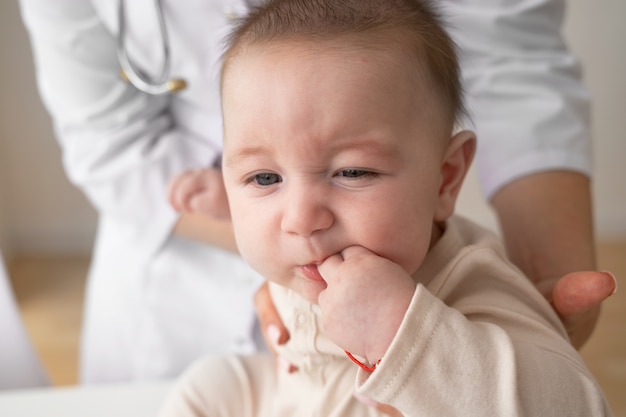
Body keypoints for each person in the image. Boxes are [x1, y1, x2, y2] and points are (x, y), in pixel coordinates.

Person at [18, 0, 616, 384]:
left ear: (447, 177)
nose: (302, 220)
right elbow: (110, 143)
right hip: (169, 297)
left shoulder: (472, 288)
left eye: (354, 172)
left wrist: (413, 337)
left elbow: (565, 401)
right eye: (263, 177)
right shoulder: (291, 286)